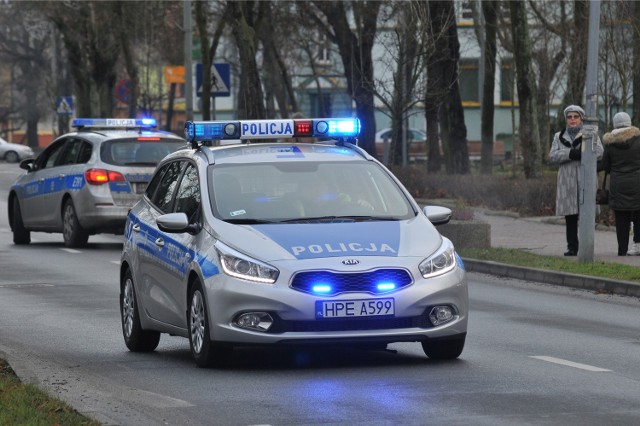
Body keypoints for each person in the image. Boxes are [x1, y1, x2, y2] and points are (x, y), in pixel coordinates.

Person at [549, 105, 604, 256]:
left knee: (587, 214)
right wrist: (570, 153)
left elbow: (599, 152)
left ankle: (587, 246)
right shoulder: (558, 136)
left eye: (576, 116)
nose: (572, 119)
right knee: (570, 216)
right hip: (567, 181)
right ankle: (572, 247)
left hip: (585, 178)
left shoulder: (590, 134)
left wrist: (584, 154)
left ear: (581, 118)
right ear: (566, 119)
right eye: (569, 117)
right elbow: (552, 156)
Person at [602, 112, 640, 256]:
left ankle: (622, 250)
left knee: (621, 218)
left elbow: (606, 166)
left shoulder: (610, 144)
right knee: (638, 215)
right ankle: (638, 245)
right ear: (630, 123)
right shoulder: (639, 140)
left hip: (618, 186)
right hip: (638, 184)